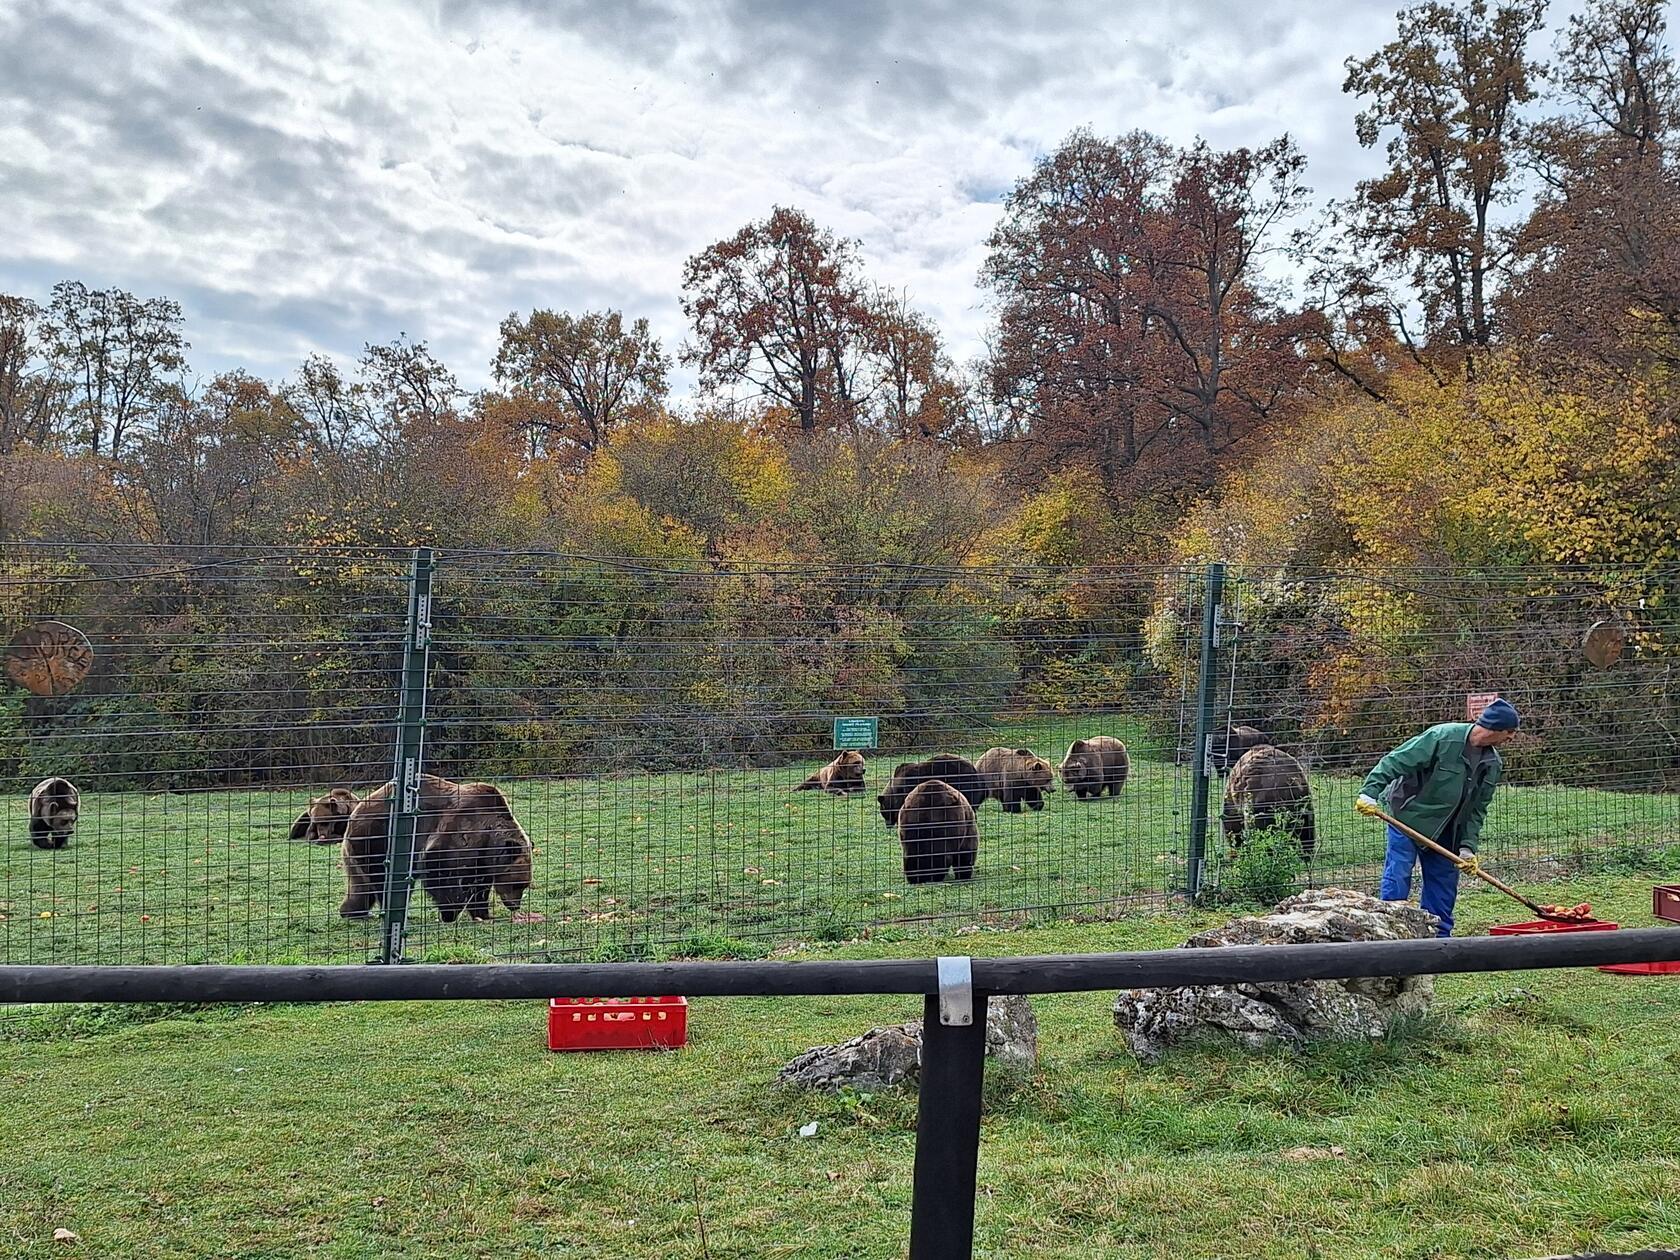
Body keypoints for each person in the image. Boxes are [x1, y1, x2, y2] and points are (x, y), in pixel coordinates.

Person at [1355, 698, 1520, 937]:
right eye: (1510, 732)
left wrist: (1467, 847)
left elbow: (1477, 810)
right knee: (1398, 875)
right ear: (1494, 727)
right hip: (1408, 819)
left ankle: (1439, 942)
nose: (1512, 738)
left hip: (1448, 832)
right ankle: (1388, 933)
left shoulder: (1492, 764)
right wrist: (1369, 792)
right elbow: (1396, 760)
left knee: (1443, 887)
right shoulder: (1443, 738)